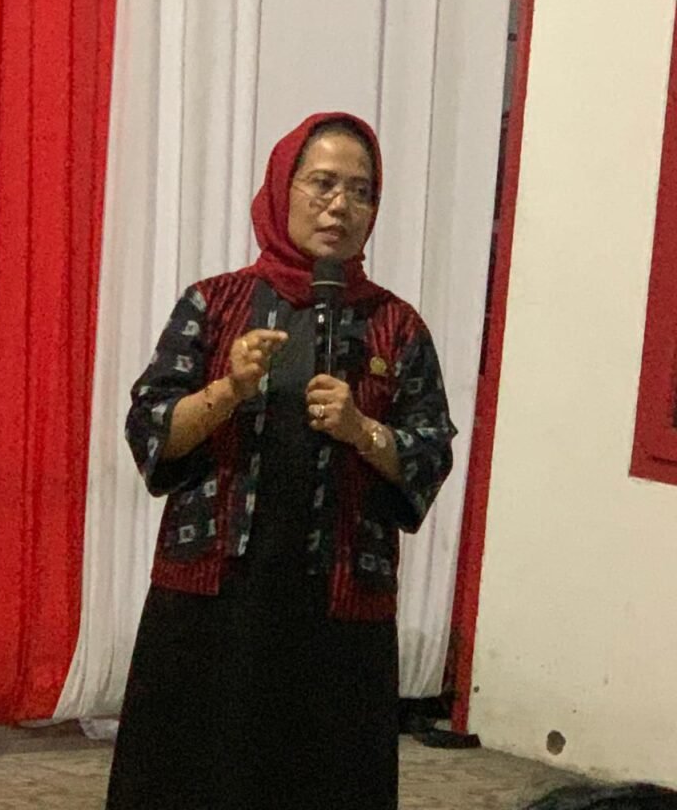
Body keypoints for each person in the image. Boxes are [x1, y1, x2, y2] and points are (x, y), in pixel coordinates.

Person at [105, 111, 457, 810]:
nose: (340, 205)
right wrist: (229, 389)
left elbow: (430, 453)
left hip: (339, 611)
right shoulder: (215, 303)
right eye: (322, 183)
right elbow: (150, 430)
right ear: (281, 188)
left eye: (361, 191)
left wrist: (362, 430)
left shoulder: (396, 326)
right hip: (213, 603)